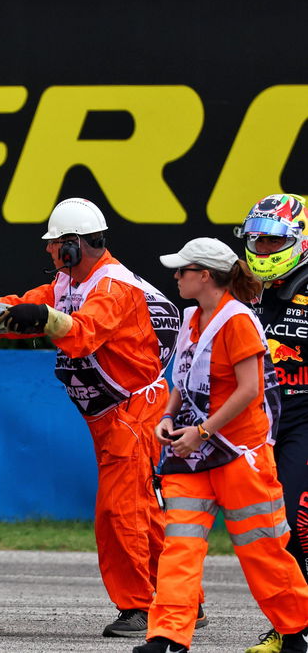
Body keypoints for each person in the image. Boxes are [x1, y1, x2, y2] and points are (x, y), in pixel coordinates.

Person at [0, 197, 194, 637]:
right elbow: (17, 308)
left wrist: (42, 318)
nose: (48, 252)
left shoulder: (112, 289)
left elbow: (82, 335)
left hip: (133, 411)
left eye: (54, 245)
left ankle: (140, 606)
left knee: (119, 510)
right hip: (111, 413)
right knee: (143, 508)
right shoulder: (68, 283)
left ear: (73, 246)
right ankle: (181, 597)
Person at [132, 237, 308, 653]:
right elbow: (183, 378)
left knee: (262, 550)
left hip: (240, 454)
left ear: (205, 275)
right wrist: (168, 418)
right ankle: (169, 636)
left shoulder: (239, 320)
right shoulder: (191, 317)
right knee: (180, 547)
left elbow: (249, 390)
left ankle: (296, 630)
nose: (175, 277)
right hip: (193, 455)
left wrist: (203, 431)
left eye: (182, 271)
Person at [236, 194, 308, 653]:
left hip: (305, 419)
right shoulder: (245, 291)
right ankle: (290, 627)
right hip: (263, 426)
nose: (261, 251)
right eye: (256, 241)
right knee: (272, 528)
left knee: (299, 521)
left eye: (272, 241)